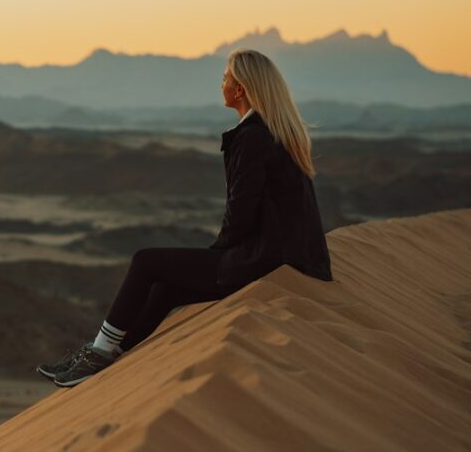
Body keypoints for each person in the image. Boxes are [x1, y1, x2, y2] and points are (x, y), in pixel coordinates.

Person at [37, 48, 335, 388]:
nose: (221, 83)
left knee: (146, 261)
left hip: (263, 262)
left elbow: (241, 209)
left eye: (226, 77)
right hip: (290, 259)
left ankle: (98, 353)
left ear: (239, 90)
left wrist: (219, 253)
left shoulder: (253, 137)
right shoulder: (279, 133)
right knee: (167, 287)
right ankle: (106, 355)